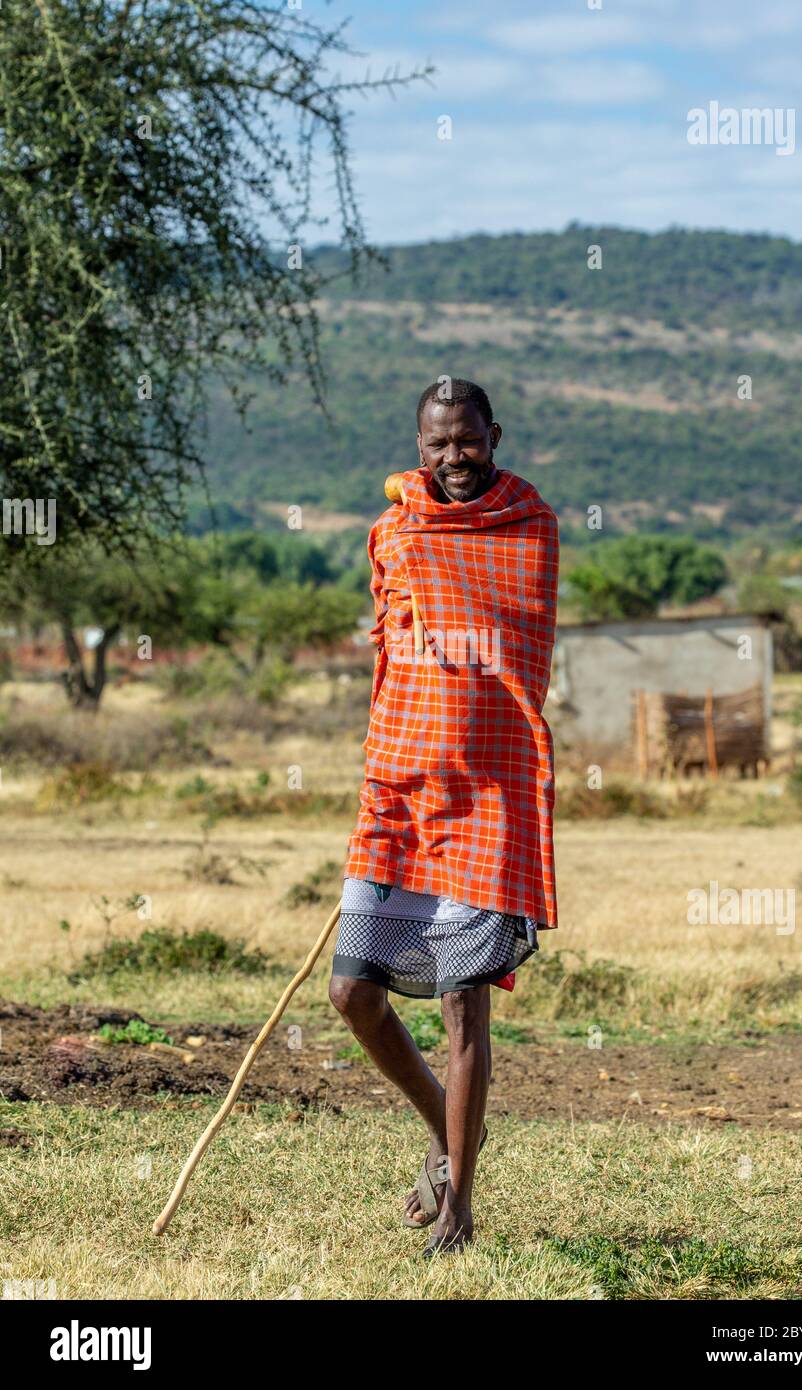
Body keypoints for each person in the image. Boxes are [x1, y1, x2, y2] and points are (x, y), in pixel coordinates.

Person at [329, 377, 559, 1255]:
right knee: (352, 993)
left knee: (463, 1008)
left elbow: (494, 633)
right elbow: (392, 653)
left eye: (466, 440)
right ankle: (449, 1133)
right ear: (417, 445)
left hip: (490, 791)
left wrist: (419, 523)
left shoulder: (525, 526)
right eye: (436, 445)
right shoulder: (393, 532)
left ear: (492, 436)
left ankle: (459, 1203)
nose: (453, 457)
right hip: (399, 783)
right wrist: (388, 753)